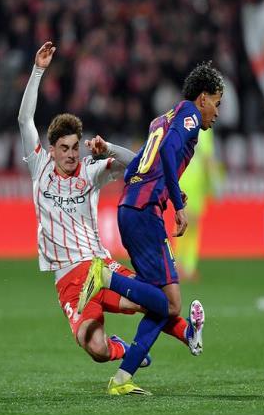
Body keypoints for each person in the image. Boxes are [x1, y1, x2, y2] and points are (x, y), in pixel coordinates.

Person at [17, 42, 189, 369]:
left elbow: (138, 164)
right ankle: (123, 349)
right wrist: (38, 70)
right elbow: (25, 119)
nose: (71, 154)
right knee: (97, 349)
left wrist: (107, 148)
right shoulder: (39, 169)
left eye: (74, 147)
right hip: (68, 279)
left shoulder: (90, 171)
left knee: (152, 301)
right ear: (51, 150)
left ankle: (188, 332)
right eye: (64, 148)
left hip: (100, 266)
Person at [79, 61, 224, 395]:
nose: (217, 112)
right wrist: (179, 205)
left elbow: (139, 164)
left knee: (161, 303)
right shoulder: (189, 116)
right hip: (145, 213)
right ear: (203, 98)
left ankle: (123, 378)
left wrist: (168, 190)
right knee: (170, 303)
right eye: (217, 102)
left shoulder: (163, 119)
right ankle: (105, 278)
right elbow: (170, 153)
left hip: (133, 208)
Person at [175, 128, 223, 281]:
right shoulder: (204, 131)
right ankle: (182, 265)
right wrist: (216, 181)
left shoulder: (184, 124)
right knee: (188, 223)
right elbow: (208, 158)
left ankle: (186, 266)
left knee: (189, 223)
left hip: (189, 179)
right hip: (193, 181)